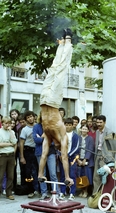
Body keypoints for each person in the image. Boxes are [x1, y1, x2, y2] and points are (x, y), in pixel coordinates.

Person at [38, 28, 74, 186]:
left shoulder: (48, 137)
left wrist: (40, 174)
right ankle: (67, 40)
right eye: (60, 148)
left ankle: (62, 42)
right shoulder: (63, 135)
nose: (59, 149)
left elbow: (44, 155)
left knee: (54, 68)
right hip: (52, 101)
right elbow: (65, 157)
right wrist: (67, 176)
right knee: (62, 68)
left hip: (44, 99)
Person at [33, 113, 59, 199]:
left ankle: (56, 193)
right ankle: (44, 193)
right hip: (40, 152)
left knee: (53, 174)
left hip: (50, 152)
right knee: (42, 174)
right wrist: (46, 138)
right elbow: (36, 140)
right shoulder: (36, 126)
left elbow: (54, 141)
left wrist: (42, 137)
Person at [0, 116, 17, 200]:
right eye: (6, 123)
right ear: (2, 123)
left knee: (11, 175)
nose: (8, 125)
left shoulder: (12, 132)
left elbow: (14, 142)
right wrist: (10, 144)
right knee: (0, 174)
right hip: (2, 155)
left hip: (11, 155)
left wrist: (10, 132)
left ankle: (9, 192)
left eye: (9, 123)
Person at [93, 115, 116, 194]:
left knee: (105, 176)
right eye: (97, 122)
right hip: (98, 155)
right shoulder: (97, 132)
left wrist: (111, 159)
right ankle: (95, 195)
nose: (99, 124)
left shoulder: (110, 132)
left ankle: (104, 195)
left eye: (101, 122)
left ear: (104, 122)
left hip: (106, 157)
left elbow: (114, 147)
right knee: (96, 176)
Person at [19, 111, 40, 198]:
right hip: (28, 151)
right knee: (29, 172)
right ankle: (30, 190)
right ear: (26, 119)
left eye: (31, 116)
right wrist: (22, 156)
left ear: (34, 117)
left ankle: (38, 190)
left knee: (38, 171)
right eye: (28, 117)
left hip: (37, 150)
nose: (30, 118)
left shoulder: (38, 127)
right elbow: (21, 143)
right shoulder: (24, 129)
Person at [59, 118, 79, 200]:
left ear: (72, 126)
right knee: (63, 175)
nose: (67, 126)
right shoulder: (61, 134)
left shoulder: (75, 135)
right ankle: (62, 192)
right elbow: (57, 145)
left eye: (69, 125)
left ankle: (72, 193)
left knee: (72, 175)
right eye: (66, 125)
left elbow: (76, 147)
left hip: (72, 159)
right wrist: (60, 154)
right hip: (62, 158)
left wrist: (68, 154)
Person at [77, 125, 94, 197]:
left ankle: (86, 191)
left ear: (88, 131)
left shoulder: (90, 139)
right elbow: (75, 149)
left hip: (87, 160)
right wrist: (77, 160)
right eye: (83, 129)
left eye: (85, 129)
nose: (84, 130)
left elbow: (90, 149)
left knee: (86, 176)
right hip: (78, 160)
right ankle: (82, 190)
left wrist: (85, 159)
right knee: (80, 176)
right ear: (80, 129)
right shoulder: (78, 138)